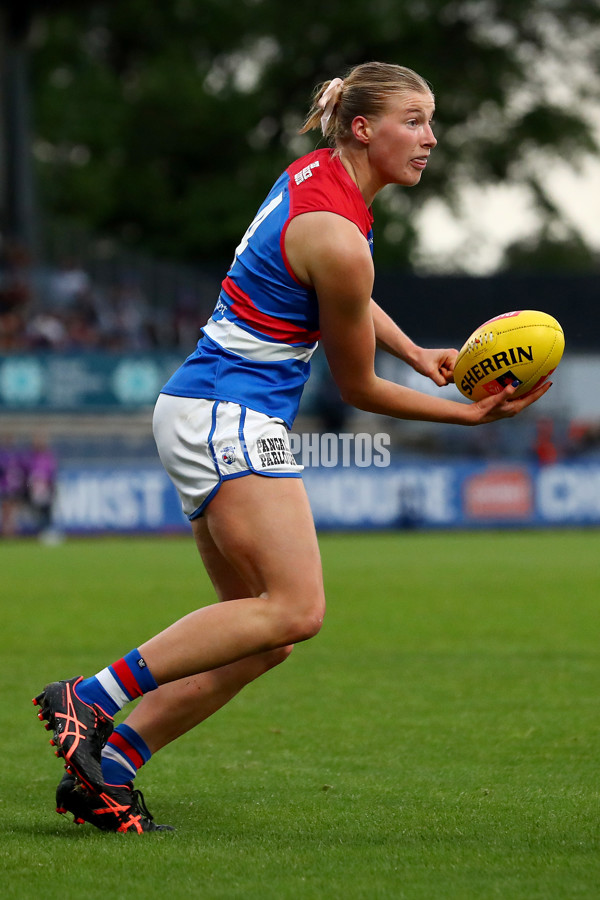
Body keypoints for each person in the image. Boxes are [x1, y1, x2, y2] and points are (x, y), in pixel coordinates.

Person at [33, 61, 552, 834]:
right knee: (296, 609)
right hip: (230, 417)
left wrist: (417, 354)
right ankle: (93, 698)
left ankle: (108, 769)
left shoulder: (320, 181)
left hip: (205, 409)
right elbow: (358, 390)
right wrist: (468, 420)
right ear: (364, 127)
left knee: (261, 630)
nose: (431, 138)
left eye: (431, 120)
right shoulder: (341, 236)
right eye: (414, 120)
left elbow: (343, 291)